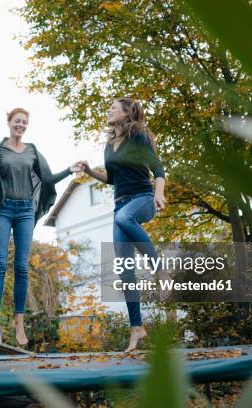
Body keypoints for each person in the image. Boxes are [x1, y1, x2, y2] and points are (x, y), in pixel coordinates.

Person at [0, 107, 80, 345]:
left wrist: (69, 170)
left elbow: (47, 179)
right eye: (17, 121)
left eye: (24, 122)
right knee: (0, 263)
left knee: (21, 267)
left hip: (25, 212)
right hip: (2, 209)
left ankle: (19, 322)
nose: (20, 125)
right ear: (9, 123)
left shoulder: (32, 151)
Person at [80, 97, 166, 352]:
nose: (108, 110)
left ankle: (160, 270)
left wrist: (159, 193)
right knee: (124, 269)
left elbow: (157, 167)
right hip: (120, 204)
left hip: (142, 200)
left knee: (124, 218)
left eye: (113, 108)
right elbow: (112, 178)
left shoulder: (138, 136)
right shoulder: (109, 145)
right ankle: (137, 328)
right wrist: (89, 171)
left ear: (127, 113)